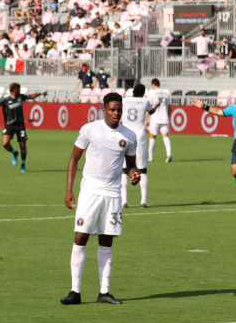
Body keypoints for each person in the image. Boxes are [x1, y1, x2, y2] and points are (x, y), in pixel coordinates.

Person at [63, 92, 139, 306]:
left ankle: (104, 292)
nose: (116, 113)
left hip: (113, 194)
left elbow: (130, 164)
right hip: (90, 191)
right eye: (112, 109)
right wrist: (69, 189)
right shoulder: (89, 129)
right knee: (80, 238)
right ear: (103, 110)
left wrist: (133, 173)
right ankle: (75, 292)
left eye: (119, 109)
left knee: (106, 241)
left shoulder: (129, 136)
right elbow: (74, 158)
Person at [0, 83, 47, 172]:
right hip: (9, 125)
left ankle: (23, 165)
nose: (20, 90)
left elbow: (31, 96)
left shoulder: (20, 97)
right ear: (15, 89)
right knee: (5, 143)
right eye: (19, 88)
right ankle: (15, 153)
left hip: (20, 125)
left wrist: (41, 93)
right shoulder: (5, 99)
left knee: (23, 145)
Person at [120, 83, 158, 208]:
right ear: (142, 93)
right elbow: (150, 111)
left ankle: (124, 201)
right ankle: (143, 201)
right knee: (142, 169)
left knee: (124, 170)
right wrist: (156, 107)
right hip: (139, 137)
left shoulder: (125, 101)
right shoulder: (145, 101)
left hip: (125, 136)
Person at [146, 78, 172, 162]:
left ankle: (150, 157)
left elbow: (148, 108)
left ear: (153, 85)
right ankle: (169, 155)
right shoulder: (166, 94)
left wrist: (146, 120)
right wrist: (166, 116)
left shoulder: (152, 94)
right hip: (164, 119)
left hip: (155, 119)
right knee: (165, 137)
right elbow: (170, 108)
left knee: (152, 137)